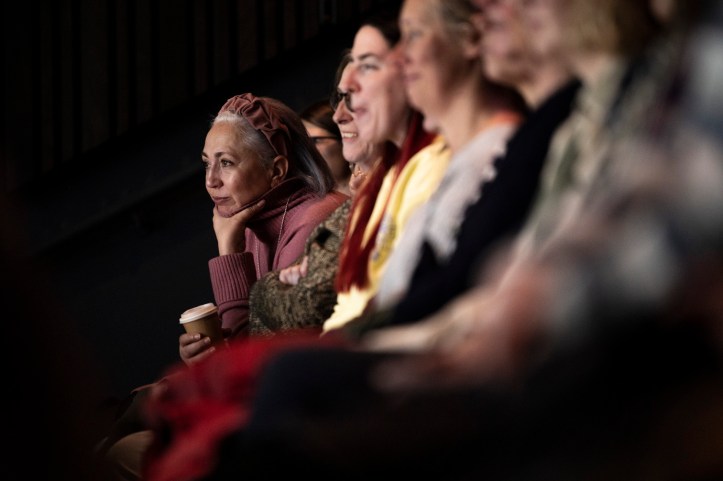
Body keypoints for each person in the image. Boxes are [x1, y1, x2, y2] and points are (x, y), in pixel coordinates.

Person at [99, 92, 346, 481]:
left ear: (277, 170)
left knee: (124, 447)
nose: (211, 181)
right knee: (132, 418)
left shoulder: (314, 221)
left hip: (293, 416)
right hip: (262, 398)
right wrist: (208, 351)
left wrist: (227, 248)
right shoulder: (255, 217)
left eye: (226, 163)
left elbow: (260, 359)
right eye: (206, 163)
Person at [369, 0, 527, 310]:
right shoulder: (458, 159)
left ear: (470, 39)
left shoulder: (497, 155)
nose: (398, 57)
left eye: (414, 34)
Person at [247, 55, 384, 336]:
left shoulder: (323, 208)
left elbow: (307, 305)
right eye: (340, 99)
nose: (340, 115)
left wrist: (262, 291)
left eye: (227, 162)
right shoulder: (348, 205)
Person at [300, 99, 351, 196]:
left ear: (344, 139)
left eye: (315, 141)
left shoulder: (376, 191)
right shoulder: (303, 197)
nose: (307, 150)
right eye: (303, 142)